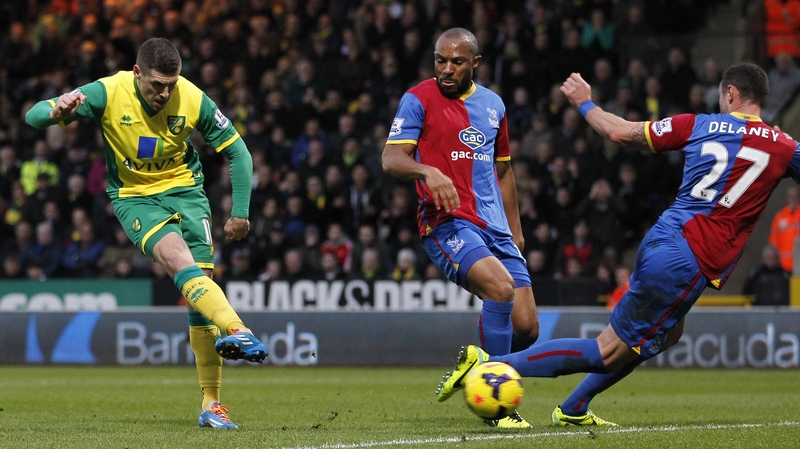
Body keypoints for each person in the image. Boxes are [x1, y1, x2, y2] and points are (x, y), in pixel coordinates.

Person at [436, 63, 800, 426]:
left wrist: (585, 103)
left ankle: (574, 408)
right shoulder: (784, 146)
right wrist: (779, 141)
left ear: (731, 94)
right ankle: (489, 365)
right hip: (688, 258)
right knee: (607, 351)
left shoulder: (699, 124)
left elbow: (621, 132)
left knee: (669, 333)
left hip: (666, 240)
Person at [24, 38, 267, 429]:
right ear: (136, 73)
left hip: (187, 193)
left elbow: (239, 152)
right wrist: (56, 110)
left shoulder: (191, 97)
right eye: (157, 84)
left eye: (171, 84)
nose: (165, 93)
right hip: (135, 197)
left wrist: (240, 212)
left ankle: (211, 405)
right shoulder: (106, 92)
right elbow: (32, 117)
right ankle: (239, 329)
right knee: (176, 259)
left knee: (198, 293)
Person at [382, 27, 539, 428]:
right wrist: (426, 170)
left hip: (496, 227)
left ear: (475, 64)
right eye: (440, 61)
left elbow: (503, 171)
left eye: (456, 62)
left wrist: (515, 231)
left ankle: (479, 363)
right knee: (500, 289)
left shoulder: (494, 105)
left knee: (527, 328)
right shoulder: (418, 99)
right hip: (446, 220)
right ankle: (499, 407)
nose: (446, 69)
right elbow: (391, 159)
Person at [768, 184, 800, 272]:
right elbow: (773, 240)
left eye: (795, 196)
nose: (793, 199)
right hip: (782, 266)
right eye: (791, 196)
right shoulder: (780, 216)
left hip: (798, 264)